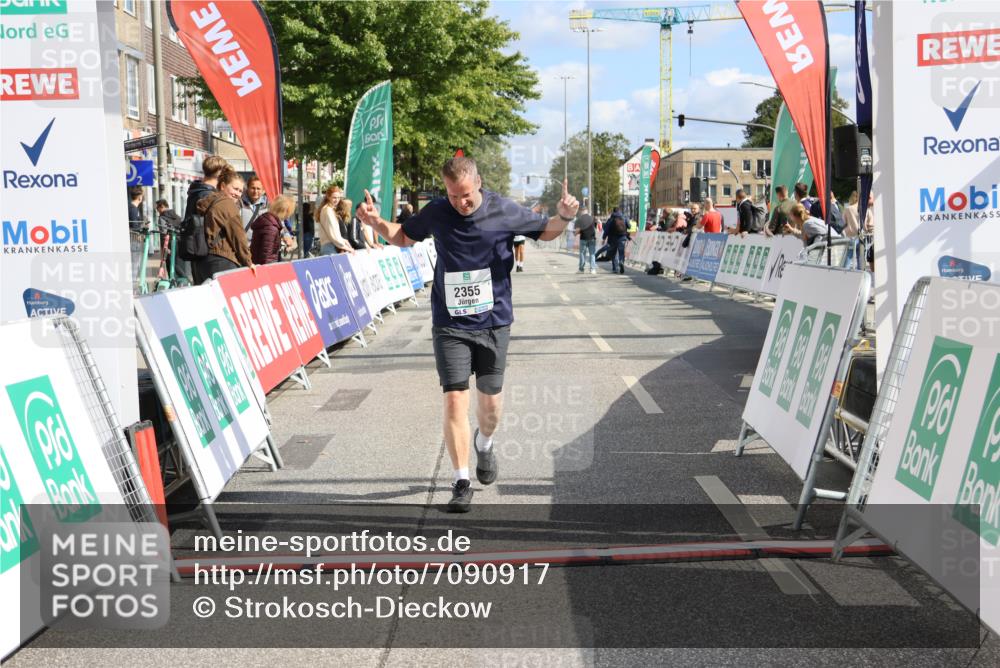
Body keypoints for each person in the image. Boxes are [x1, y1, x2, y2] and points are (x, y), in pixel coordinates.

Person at [355, 156, 579, 512]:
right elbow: (402, 236)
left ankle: (485, 443)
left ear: (478, 182)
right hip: (450, 323)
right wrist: (375, 221)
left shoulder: (503, 209)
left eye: (466, 194)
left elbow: (546, 231)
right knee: (455, 400)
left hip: (494, 322)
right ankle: (461, 481)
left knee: (489, 405)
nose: (461, 202)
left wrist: (564, 216)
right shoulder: (438, 211)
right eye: (453, 195)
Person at [193, 167, 254, 283]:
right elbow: (238, 236)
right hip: (223, 259)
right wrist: (248, 261)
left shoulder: (208, 201)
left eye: (241, 191)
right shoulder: (227, 204)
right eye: (235, 189)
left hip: (201, 261)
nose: (238, 194)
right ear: (222, 186)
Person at [183, 155, 229, 285]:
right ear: (220, 172)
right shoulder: (208, 195)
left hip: (197, 250)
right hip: (208, 253)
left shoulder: (195, 191)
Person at [251, 195, 295, 265]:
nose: (288, 216)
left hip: (258, 262)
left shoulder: (267, 220)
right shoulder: (271, 227)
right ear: (284, 212)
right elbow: (266, 256)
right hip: (265, 267)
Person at [316, 185, 353, 255]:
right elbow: (332, 233)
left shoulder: (328, 209)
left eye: (338, 197)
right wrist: (345, 246)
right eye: (334, 197)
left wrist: (343, 241)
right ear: (328, 197)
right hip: (330, 247)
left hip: (330, 245)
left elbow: (333, 233)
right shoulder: (328, 210)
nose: (337, 200)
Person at [240, 175, 268, 240]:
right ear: (247, 188)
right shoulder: (239, 202)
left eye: (258, 189)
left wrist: (286, 235)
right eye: (253, 188)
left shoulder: (268, 205)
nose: (255, 191)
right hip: (243, 245)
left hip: (261, 245)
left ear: (263, 190)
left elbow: (279, 221)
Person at [603, 206, 629, 274]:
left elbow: (606, 229)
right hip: (622, 237)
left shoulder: (611, 219)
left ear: (613, 211)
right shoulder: (624, 217)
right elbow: (629, 226)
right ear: (619, 211)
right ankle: (621, 261)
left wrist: (604, 238)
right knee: (621, 252)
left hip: (613, 239)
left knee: (613, 254)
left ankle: (615, 268)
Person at [575, 207, 597, 274]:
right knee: (592, 254)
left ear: (582, 211)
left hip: (583, 238)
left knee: (582, 254)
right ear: (587, 211)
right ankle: (592, 269)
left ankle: (581, 269)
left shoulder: (579, 219)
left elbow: (577, 230)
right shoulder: (592, 218)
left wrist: (575, 234)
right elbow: (595, 228)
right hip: (592, 238)